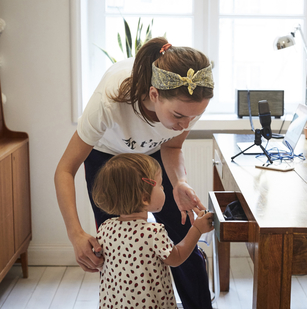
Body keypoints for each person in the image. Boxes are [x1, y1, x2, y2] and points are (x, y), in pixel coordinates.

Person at [54, 37, 214, 308]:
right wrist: (75, 234)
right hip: (106, 159)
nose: (186, 124)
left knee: (183, 235)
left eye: (193, 117)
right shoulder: (107, 103)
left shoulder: (187, 103)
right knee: (114, 252)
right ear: (154, 95)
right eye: (178, 117)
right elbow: (64, 170)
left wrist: (179, 182)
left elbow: (173, 147)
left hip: (154, 156)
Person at [93, 153, 214, 309]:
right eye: (161, 185)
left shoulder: (105, 228)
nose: (164, 189)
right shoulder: (152, 232)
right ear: (145, 198)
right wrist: (197, 228)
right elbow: (176, 258)